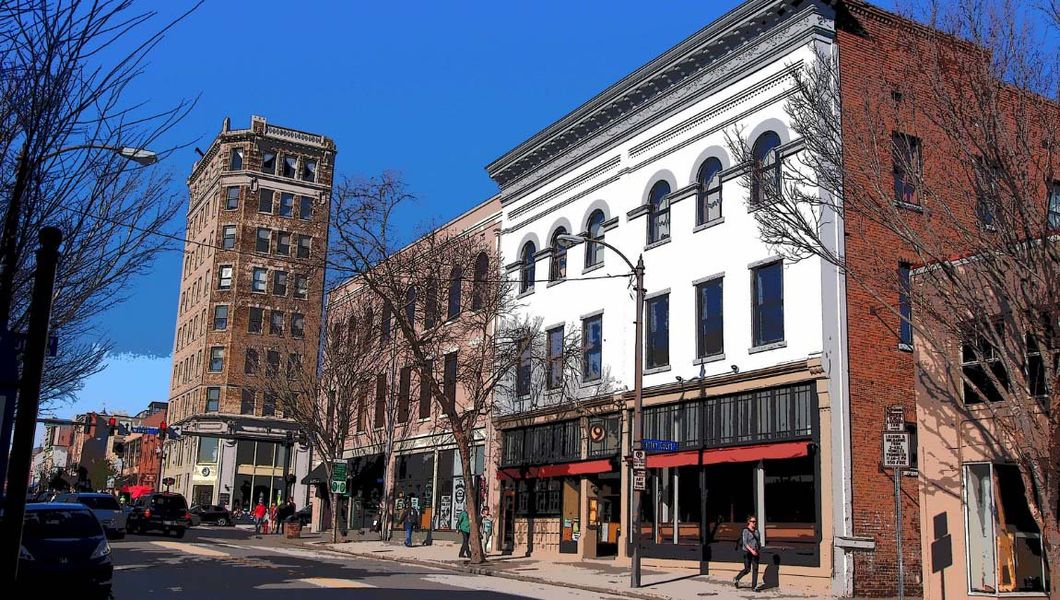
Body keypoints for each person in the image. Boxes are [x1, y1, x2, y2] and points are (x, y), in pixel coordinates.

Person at [733, 514, 764, 592]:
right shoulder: (745, 531)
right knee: (747, 569)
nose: (754, 523)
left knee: (755, 569)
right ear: (748, 522)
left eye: (755, 522)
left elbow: (758, 541)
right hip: (747, 552)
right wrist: (751, 550)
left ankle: (754, 587)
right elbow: (745, 543)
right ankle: (736, 578)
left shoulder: (757, 532)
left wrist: (757, 549)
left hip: (755, 552)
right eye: (753, 521)